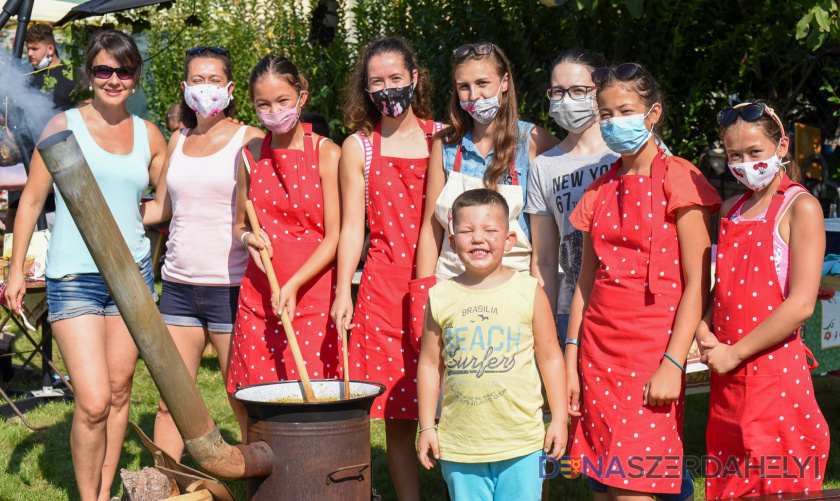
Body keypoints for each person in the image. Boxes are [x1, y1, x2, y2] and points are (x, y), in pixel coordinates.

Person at [4, 29, 166, 501]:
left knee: (119, 394)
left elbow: (164, 205)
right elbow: (31, 201)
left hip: (132, 277)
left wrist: (130, 218)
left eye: (124, 71)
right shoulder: (63, 126)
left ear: (134, 77)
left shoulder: (149, 134)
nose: (114, 79)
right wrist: (16, 272)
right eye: (103, 70)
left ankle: (103, 492)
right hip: (74, 276)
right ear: (89, 74)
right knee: (93, 401)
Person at [564, 62, 721, 500]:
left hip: (652, 352)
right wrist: (571, 355)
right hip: (597, 352)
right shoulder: (598, 189)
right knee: (605, 483)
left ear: (653, 113)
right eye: (606, 114)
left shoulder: (680, 178)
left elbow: (698, 282)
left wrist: (673, 363)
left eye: (625, 111)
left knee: (636, 481)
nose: (614, 122)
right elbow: (584, 282)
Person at [697, 100, 830, 499]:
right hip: (728, 379)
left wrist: (735, 353)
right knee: (730, 484)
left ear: (783, 147)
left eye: (755, 153)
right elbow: (719, 290)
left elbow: (801, 304)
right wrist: (703, 328)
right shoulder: (731, 210)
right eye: (734, 155)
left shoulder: (801, 207)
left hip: (775, 381)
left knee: (780, 485)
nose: (744, 163)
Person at [329, 37, 441, 501]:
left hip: (446, 281)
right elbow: (353, 228)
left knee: (461, 398)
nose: (388, 88)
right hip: (383, 290)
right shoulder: (359, 146)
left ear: (415, 78)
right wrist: (342, 292)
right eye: (377, 82)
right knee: (397, 412)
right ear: (365, 88)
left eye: (396, 78)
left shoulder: (444, 135)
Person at [141, 45, 263, 459]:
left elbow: (269, 214)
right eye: (197, 79)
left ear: (230, 88)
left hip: (231, 288)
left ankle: (263, 483)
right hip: (177, 286)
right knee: (170, 401)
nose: (205, 88)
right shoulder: (178, 139)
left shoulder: (251, 139)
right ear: (185, 86)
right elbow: (160, 208)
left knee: (242, 400)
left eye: (214, 80)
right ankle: (165, 485)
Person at [416, 188, 567, 501]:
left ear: (509, 240)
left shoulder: (529, 292)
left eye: (490, 230)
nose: (478, 238)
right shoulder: (440, 297)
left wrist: (560, 419)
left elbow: (551, 358)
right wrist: (427, 426)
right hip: (460, 446)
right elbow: (430, 364)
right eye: (467, 231)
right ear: (453, 238)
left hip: (522, 443)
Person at [413, 42, 559, 341]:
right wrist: (422, 294)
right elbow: (431, 228)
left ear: (505, 82)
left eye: (482, 83)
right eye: (463, 87)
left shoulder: (534, 142)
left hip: (514, 292)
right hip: (452, 286)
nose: (474, 96)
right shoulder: (446, 144)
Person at [228, 55, 341, 424]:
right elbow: (238, 224)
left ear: (301, 97)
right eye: (263, 105)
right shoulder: (249, 156)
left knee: (309, 401)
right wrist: (249, 240)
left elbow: (334, 235)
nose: (274, 111)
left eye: (282, 101)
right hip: (260, 294)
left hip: (312, 294)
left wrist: (293, 285)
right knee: (254, 399)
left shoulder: (328, 153)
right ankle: (260, 475)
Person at [525, 47, 616, 346]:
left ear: (600, 90)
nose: (567, 100)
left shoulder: (629, 150)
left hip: (625, 304)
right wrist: (546, 326)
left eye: (578, 90)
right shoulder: (543, 167)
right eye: (558, 92)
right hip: (568, 312)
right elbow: (545, 260)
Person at [26, 23, 77, 111]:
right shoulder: (24, 72)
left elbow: (85, 105)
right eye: (28, 49)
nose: (29, 53)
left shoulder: (73, 73)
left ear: (50, 49)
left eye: (35, 49)